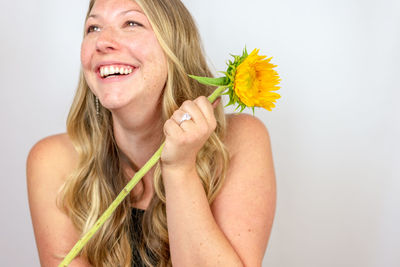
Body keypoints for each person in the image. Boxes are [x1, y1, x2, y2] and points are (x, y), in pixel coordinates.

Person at [26, 0, 277, 266]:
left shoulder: (240, 139)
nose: (102, 42)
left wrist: (180, 168)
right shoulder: (52, 161)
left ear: (175, 46)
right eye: (93, 28)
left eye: (131, 23)